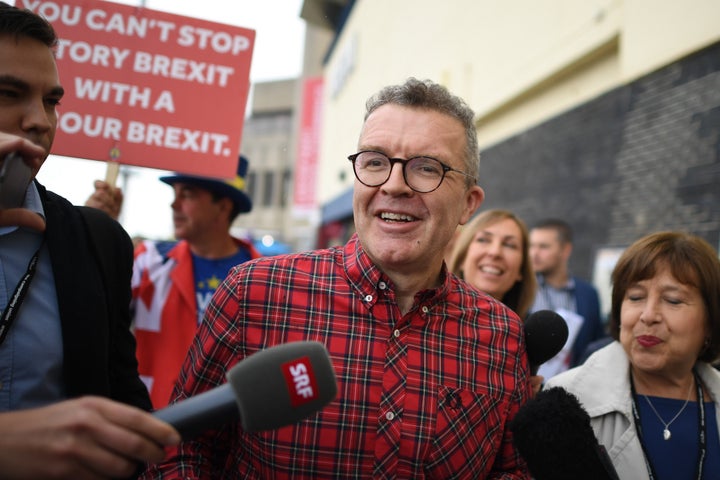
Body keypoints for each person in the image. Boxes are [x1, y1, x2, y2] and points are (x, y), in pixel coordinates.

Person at [142, 78, 532, 478]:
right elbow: (176, 450)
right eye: (376, 161)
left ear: (469, 203)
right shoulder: (255, 293)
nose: (394, 185)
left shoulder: (502, 335)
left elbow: (514, 471)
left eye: (427, 168)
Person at [0, 3, 179, 478]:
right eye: (8, 93)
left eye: (52, 101)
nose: (39, 120)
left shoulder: (98, 242)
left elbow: (120, 392)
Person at [88, 155, 262, 408]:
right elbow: (94, 309)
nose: (174, 204)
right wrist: (99, 231)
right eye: (175, 193)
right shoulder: (150, 261)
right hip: (154, 421)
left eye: (188, 194)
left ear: (223, 207)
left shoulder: (263, 275)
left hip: (232, 427)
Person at [545, 231, 720, 479]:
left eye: (673, 300)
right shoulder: (565, 400)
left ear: (710, 322)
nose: (648, 315)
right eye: (635, 297)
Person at [528, 218, 605, 377]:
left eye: (543, 247)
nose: (534, 253)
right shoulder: (523, 287)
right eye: (531, 246)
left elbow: (595, 343)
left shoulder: (589, 294)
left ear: (565, 250)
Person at [448, 209, 536, 319]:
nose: (495, 252)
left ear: (521, 270)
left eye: (509, 245)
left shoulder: (528, 333)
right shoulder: (430, 318)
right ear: (462, 259)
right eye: (483, 240)